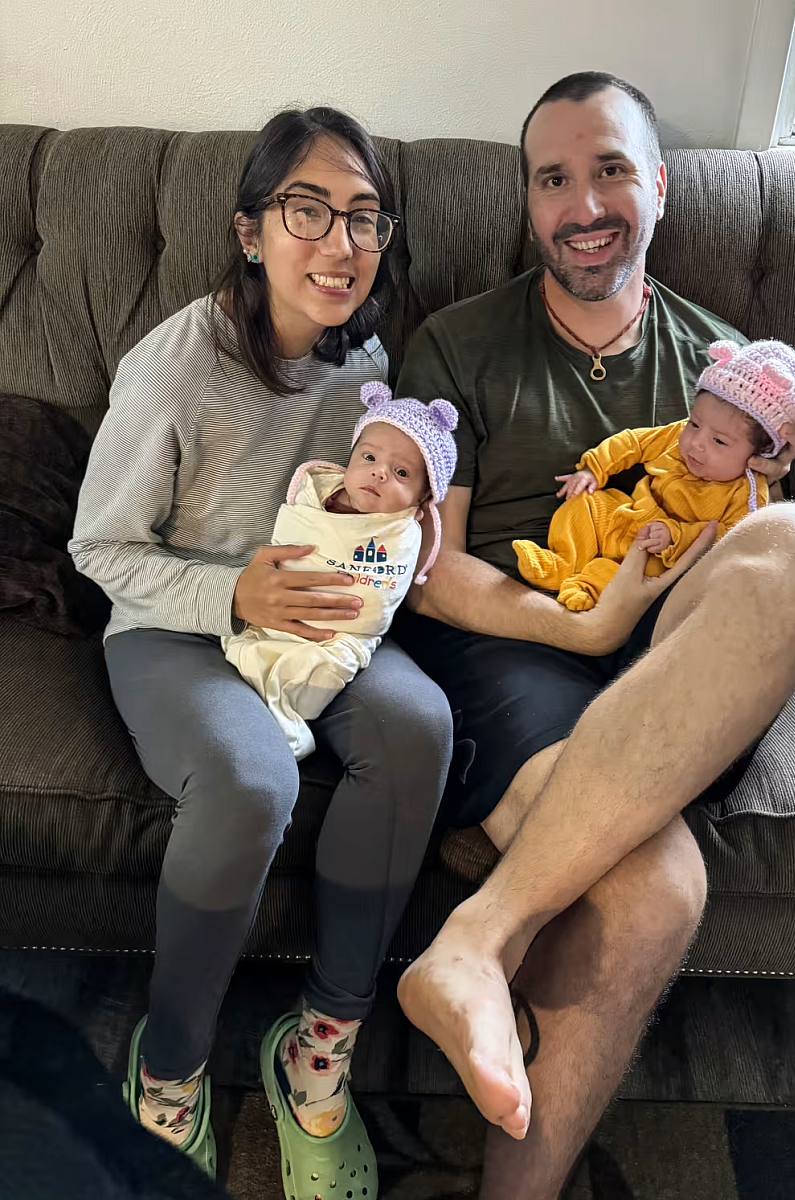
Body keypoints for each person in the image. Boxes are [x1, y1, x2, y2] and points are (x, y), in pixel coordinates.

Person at [390, 72, 795, 1200]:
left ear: (656, 184)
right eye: (554, 178)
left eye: (610, 169)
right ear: (529, 202)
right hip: (520, 644)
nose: (583, 202)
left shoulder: (728, 361)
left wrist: (765, 485)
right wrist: (580, 622)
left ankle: (477, 937)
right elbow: (430, 570)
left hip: (680, 648)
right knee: (655, 891)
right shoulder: (459, 345)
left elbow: (755, 574)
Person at [70, 107, 454, 1195]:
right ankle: (173, 1070)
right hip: (179, 621)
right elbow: (100, 547)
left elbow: (373, 500)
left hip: (316, 619)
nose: (341, 244)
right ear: (251, 232)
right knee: (247, 782)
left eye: (366, 219)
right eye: (309, 211)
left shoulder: (368, 366)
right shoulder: (173, 368)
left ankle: (319, 1045)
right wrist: (232, 591)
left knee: (421, 725)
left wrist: (405, 541)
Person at [223, 383, 458, 759]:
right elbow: (290, 543)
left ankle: (286, 718)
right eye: (368, 457)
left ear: (422, 499)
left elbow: (374, 601)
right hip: (275, 610)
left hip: (340, 635)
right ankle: (266, 709)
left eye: (401, 472)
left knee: (323, 670)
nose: (379, 473)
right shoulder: (314, 493)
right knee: (247, 652)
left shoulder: (400, 532)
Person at [514, 338, 795, 609]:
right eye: (695, 424)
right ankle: (562, 563)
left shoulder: (746, 493)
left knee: (632, 574)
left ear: (759, 455)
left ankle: (585, 587)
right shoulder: (676, 437)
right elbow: (634, 442)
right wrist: (594, 469)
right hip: (626, 515)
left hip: (658, 553)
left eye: (719, 441)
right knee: (584, 503)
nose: (696, 443)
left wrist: (676, 536)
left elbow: (729, 541)